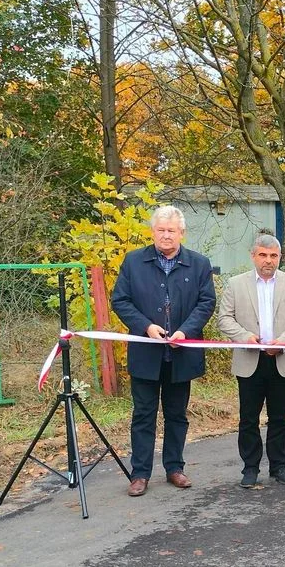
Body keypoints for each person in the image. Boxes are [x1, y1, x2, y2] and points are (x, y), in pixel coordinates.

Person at [111, 205, 216, 496]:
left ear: (181, 233)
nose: (166, 235)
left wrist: (185, 331)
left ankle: (174, 468)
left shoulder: (198, 264)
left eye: (172, 230)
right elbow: (120, 301)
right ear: (153, 231)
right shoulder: (133, 262)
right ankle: (140, 474)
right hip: (146, 354)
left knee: (177, 414)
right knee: (143, 414)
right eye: (161, 230)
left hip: (181, 354)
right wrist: (146, 327)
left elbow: (206, 303)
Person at [218, 233, 285, 488]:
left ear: (279, 257)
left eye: (273, 256)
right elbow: (224, 319)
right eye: (263, 255)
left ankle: (279, 466)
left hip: (281, 359)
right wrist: (245, 336)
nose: (268, 261)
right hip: (250, 359)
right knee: (248, 418)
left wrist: (283, 342)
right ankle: (250, 468)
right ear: (253, 256)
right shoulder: (236, 284)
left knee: (279, 417)